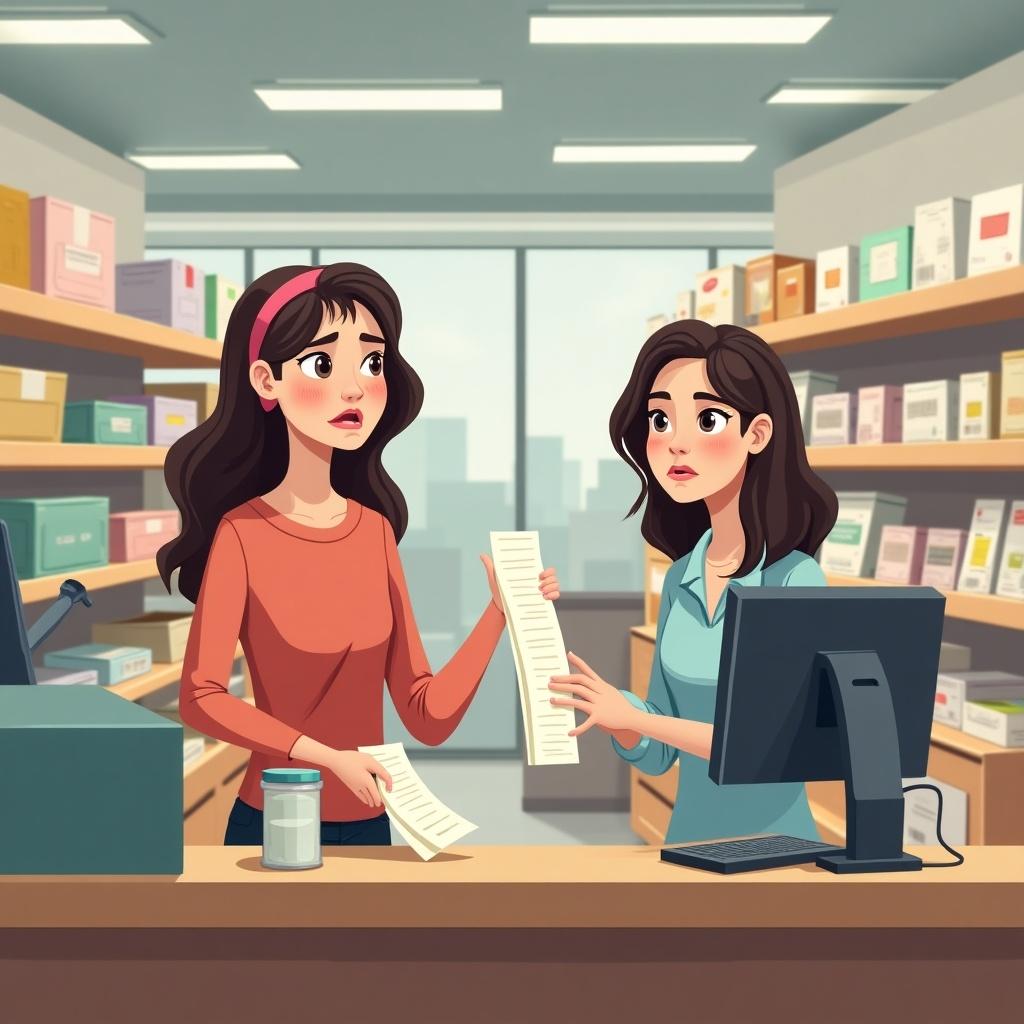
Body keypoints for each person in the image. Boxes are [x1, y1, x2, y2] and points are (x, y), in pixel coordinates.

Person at [158, 263, 560, 846]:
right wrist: (325, 757)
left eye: (372, 364)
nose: (354, 389)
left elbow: (427, 714)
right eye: (323, 364)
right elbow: (201, 697)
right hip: (273, 818)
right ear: (266, 381)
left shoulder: (373, 532)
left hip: (371, 820)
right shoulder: (242, 533)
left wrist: (500, 612)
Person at [549, 320, 838, 844]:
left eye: (707, 419)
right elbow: (659, 754)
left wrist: (641, 718)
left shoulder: (795, 578)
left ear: (758, 433)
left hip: (775, 848)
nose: (676, 443)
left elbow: (770, 747)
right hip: (688, 842)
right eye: (660, 419)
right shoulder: (682, 575)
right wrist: (618, 713)